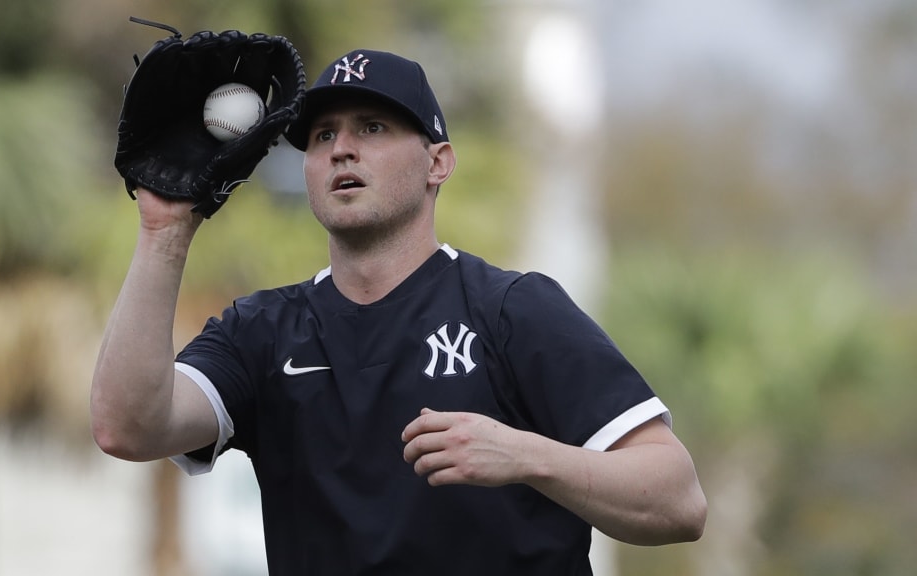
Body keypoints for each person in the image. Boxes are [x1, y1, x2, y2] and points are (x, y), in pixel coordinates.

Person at [91, 48, 707, 575]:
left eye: (373, 128)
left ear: (438, 162)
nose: (341, 150)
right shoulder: (262, 331)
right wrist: (164, 230)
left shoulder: (513, 310)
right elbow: (128, 427)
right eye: (322, 135)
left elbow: (678, 501)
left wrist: (526, 456)